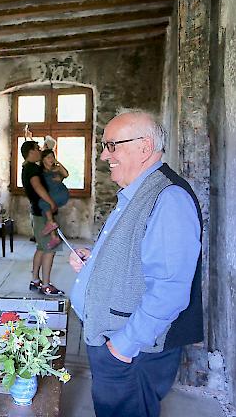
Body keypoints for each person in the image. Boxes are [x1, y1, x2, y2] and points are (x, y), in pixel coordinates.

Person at [68, 109, 203, 417]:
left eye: (111, 145)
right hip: (116, 341)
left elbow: (169, 290)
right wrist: (96, 260)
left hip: (133, 349)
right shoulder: (138, 191)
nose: (104, 156)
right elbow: (136, 252)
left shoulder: (168, 198)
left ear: (144, 147)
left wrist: (122, 348)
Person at [20, 140, 64, 295]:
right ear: (31, 152)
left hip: (38, 212)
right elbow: (38, 187)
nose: (40, 151)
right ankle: (46, 284)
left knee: (41, 247)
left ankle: (35, 280)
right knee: (49, 249)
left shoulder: (28, 167)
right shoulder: (32, 169)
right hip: (42, 213)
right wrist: (51, 202)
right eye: (37, 149)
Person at [38, 148, 70, 250]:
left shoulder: (56, 169)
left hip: (60, 193)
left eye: (53, 157)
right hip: (52, 195)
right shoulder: (40, 171)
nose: (51, 159)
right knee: (45, 211)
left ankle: (51, 225)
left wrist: (57, 162)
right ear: (43, 160)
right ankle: (54, 237)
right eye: (48, 157)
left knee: (43, 203)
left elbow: (66, 174)